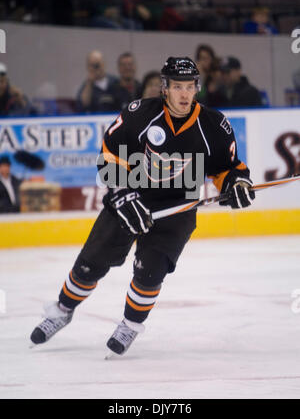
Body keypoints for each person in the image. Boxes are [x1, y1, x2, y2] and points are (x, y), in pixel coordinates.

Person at [30, 57, 255, 356]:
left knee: (150, 272)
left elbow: (227, 168)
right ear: (165, 88)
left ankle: (130, 324)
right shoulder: (140, 115)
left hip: (177, 207)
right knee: (89, 265)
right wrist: (122, 192)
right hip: (131, 198)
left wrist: (235, 185)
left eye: (190, 87)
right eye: (177, 87)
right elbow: (110, 156)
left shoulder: (214, 125)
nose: (184, 94)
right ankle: (62, 310)